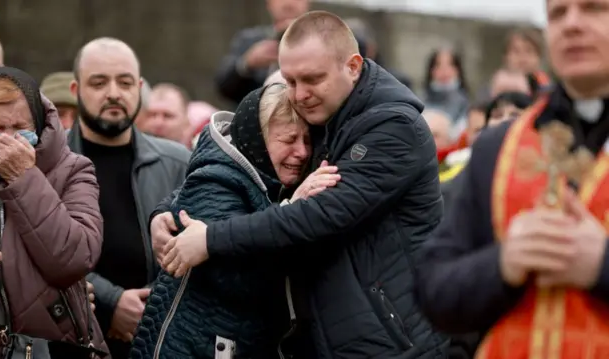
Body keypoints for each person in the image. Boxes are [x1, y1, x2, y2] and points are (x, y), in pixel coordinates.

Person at [152, 10, 448, 358]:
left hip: (395, 344)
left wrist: (210, 239)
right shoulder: (325, 112)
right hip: (327, 339)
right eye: (290, 81)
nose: (299, 94)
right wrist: (167, 213)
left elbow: (323, 215)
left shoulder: (395, 128)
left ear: (353, 66)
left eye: (311, 79)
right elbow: (239, 170)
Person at [416, 0, 609, 357]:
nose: (572, 24)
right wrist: (502, 263)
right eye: (559, 13)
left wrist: (602, 264)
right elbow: (432, 287)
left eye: (594, 8)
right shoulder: (497, 146)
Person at [132, 83, 339, 359]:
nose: (302, 152)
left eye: (307, 141)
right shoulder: (215, 179)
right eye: (289, 140)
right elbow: (239, 279)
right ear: (258, 141)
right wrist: (294, 209)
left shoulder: (276, 178)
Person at [0, 67, 108, 358]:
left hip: (52, 346)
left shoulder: (73, 170)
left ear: (39, 124)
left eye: (21, 127)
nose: (9, 139)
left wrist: (23, 177)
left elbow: (77, 256)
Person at [68, 37, 191, 359]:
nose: (113, 93)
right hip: (72, 342)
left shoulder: (179, 163)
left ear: (138, 88)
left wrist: (147, 307)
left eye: (124, 82)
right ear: (75, 90)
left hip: (160, 340)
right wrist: (112, 303)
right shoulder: (49, 165)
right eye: (98, 82)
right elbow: (39, 252)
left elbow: (199, 248)